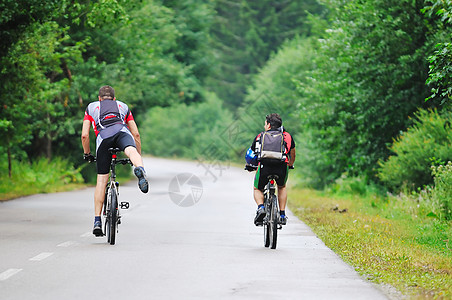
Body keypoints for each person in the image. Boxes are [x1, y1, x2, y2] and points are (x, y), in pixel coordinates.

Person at [81, 85, 148, 237]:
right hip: (121, 134)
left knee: (101, 180)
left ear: (99, 98)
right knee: (131, 151)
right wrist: (137, 156)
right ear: (114, 98)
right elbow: (136, 134)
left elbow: (85, 135)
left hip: (104, 138)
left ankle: (97, 220)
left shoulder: (91, 107)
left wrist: (87, 153)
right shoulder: (123, 106)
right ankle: (141, 169)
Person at [247, 113, 295, 226]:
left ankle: (261, 207)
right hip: (281, 166)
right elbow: (292, 153)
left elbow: (252, 153)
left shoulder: (260, 136)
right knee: (282, 186)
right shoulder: (287, 136)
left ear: (268, 125)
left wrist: (249, 165)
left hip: (265, 167)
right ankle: (282, 215)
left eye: (265, 123)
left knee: (257, 188)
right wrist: (290, 164)